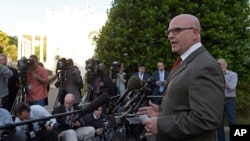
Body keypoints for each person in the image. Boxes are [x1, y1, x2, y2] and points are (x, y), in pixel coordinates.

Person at [137, 14, 225, 141]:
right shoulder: (187, 61)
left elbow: (207, 119)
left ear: (195, 33)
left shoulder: (205, 66)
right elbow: (185, 104)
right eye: (169, 31)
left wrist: (161, 125)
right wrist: (162, 111)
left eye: (177, 30)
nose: (170, 36)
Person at [217, 58, 238, 141]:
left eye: (221, 64)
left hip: (230, 100)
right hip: (219, 100)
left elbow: (232, 87)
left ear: (226, 65)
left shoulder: (233, 74)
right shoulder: (215, 75)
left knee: (232, 121)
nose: (219, 66)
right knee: (219, 123)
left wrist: (221, 75)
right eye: (218, 64)